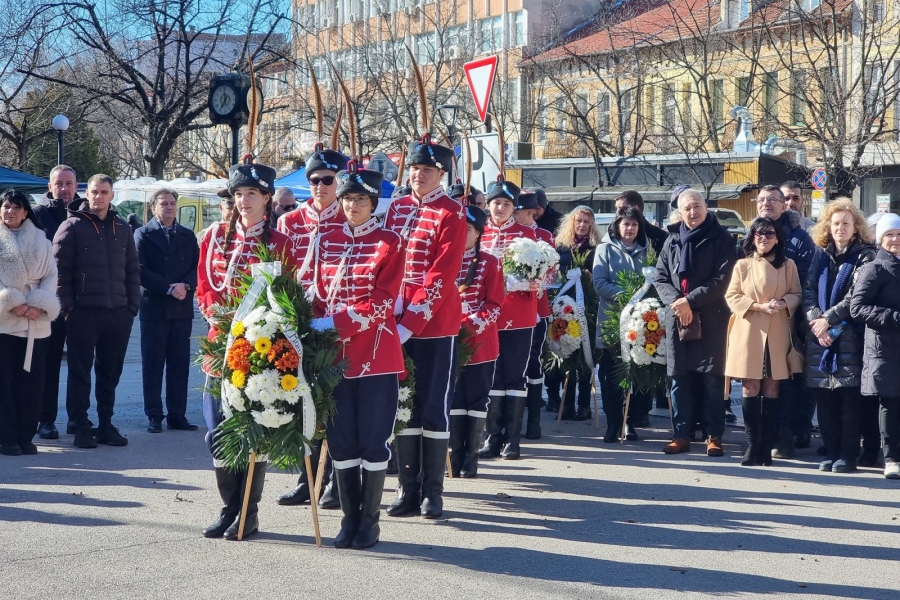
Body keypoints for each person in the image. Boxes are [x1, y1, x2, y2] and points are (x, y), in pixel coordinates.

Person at [197, 158, 296, 540]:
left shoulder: (279, 243)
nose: (243, 201)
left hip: (259, 351)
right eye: (238, 194)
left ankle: (248, 513)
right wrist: (217, 318)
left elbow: (286, 296)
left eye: (251, 193)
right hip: (219, 346)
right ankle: (228, 507)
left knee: (254, 430)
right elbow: (204, 287)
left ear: (267, 197)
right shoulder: (213, 237)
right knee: (218, 431)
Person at [310, 161, 403, 549]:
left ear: (373, 202)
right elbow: (316, 292)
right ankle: (349, 520)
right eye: (348, 198)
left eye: (360, 199)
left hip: (375, 355)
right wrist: (310, 321)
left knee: (372, 441)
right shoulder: (325, 237)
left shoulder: (389, 242)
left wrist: (334, 323)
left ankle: (370, 522)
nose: (352, 205)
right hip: (332, 359)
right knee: (342, 439)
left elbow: (382, 302)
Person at [383, 135, 466, 519]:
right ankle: (406, 488)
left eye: (427, 170)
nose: (418, 175)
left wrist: (410, 322)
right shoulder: (396, 209)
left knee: (432, 407)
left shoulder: (451, 213)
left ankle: (433, 491)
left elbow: (441, 275)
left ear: (442, 175)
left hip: (433, 325)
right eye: (415, 169)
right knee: (404, 407)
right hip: (393, 321)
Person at [276, 143, 348, 509]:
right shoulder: (290, 222)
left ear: (339, 182)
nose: (319, 187)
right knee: (302, 403)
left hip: (335, 324)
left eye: (327, 180)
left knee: (332, 402)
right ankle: (307, 481)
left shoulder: (348, 218)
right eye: (314, 180)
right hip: (299, 321)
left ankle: (335, 481)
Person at [53, 174, 140, 449]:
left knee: (110, 373)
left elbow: (132, 270)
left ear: (112, 195)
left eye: (104, 191)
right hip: (83, 314)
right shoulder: (72, 226)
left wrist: (131, 308)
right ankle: (80, 426)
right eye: (94, 191)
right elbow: (59, 273)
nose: (99, 196)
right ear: (86, 194)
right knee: (80, 372)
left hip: (117, 314)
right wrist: (68, 310)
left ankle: (105, 425)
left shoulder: (122, 228)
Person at [655, 189, 737, 456]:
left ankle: (714, 435)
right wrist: (678, 304)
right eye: (687, 208)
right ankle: (681, 434)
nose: (692, 212)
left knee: (712, 381)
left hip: (711, 317)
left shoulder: (722, 238)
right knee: (679, 379)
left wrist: (690, 301)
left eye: (697, 206)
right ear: (680, 212)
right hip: (678, 318)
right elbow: (660, 276)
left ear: (706, 206)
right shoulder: (672, 239)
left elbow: (723, 279)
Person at [803, 199, 876, 473]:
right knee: (825, 402)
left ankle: (848, 455)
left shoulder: (866, 256)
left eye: (846, 223)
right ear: (828, 227)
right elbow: (808, 290)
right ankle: (831, 452)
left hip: (849, 337)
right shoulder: (820, 255)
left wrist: (828, 322)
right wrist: (815, 321)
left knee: (849, 403)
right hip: (819, 340)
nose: (840, 228)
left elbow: (856, 297)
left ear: (856, 227)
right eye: (835, 223)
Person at [725, 217, 802, 466]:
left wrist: (782, 303)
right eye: (759, 234)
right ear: (752, 237)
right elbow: (732, 296)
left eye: (769, 234)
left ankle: (767, 447)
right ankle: (752, 445)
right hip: (750, 331)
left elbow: (797, 294)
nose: (764, 238)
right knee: (750, 387)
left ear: (777, 238)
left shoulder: (788, 265)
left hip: (778, 331)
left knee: (771, 388)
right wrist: (757, 306)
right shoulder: (743, 265)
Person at [754, 184, 817, 459]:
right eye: (762, 200)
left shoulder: (801, 237)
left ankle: (787, 432)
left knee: (788, 378)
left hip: (790, 318)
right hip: (757, 317)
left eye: (773, 200)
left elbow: (805, 277)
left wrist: (781, 300)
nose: (767, 203)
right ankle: (760, 434)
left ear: (784, 206)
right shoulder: (752, 233)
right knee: (757, 378)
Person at [478, 177, 538, 460]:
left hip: (519, 314)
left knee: (514, 375)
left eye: (506, 203)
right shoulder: (479, 234)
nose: (500, 208)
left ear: (514, 208)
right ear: (488, 206)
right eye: (496, 203)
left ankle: (512, 440)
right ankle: (492, 436)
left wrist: (532, 281)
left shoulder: (528, 236)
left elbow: (545, 274)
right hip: (486, 316)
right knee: (492, 376)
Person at [134, 188, 200, 433]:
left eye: (173, 203)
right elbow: (139, 269)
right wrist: (169, 288)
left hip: (181, 308)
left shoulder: (187, 235)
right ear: (154, 208)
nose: (170, 207)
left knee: (179, 363)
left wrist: (186, 285)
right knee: (153, 364)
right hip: (155, 307)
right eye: (164, 204)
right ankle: (154, 415)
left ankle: (177, 415)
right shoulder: (142, 234)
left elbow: (197, 265)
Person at [0, 190, 60, 455]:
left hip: (35, 323)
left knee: (33, 383)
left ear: (26, 212)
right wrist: (12, 302)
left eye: (15, 207)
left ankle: (26, 435)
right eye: (5, 206)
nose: (9, 211)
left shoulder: (42, 241)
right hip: (4, 321)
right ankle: (7, 437)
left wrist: (40, 303)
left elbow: (51, 275)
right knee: (4, 382)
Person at [449, 204, 503, 477]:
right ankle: (455, 456)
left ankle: (471, 457)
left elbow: (494, 305)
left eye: (467, 229)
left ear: (478, 233)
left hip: (480, 344)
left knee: (477, 399)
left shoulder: (490, 262)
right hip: (447, 341)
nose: (461, 233)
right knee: (455, 399)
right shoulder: (444, 258)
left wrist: (467, 326)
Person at [850, 212, 900, 480]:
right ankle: (891, 458)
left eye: (899, 234)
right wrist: (893, 317)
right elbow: (858, 308)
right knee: (890, 403)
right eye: (889, 235)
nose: (895, 239)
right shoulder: (875, 267)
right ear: (880, 240)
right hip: (884, 347)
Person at [32, 165, 79, 440]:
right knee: (48, 366)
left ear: (76, 186)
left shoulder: (83, 214)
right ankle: (45, 420)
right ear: (50, 186)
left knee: (80, 365)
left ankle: (76, 418)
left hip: (80, 304)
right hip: (49, 304)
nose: (64, 188)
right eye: (58, 183)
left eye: (69, 183)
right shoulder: (38, 216)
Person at [594, 207, 649, 443]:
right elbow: (599, 283)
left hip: (640, 322)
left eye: (634, 225)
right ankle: (613, 422)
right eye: (626, 224)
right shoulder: (604, 250)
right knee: (610, 374)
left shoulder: (647, 251)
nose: (630, 229)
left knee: (636, 372)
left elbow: (654, 280)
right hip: (611, 321)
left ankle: (630, 422)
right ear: (617, 226)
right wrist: (627, 295)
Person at [548, 205, 601, 420]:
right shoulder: (561, 247)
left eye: (586, 222)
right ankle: (566, 403)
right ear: (571, 223)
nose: (582, 225)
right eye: (578, 221)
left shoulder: (596, 248)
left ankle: (584, 405)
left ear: (592, 225)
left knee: (585, 356)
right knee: (567, 352)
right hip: (564, 307)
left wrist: (589, 277)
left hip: (587, 307)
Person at [515, 189, 556, 436]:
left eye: (518, 211)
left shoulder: (543, 236)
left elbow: (552, 273)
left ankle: (534, 421)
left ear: (531, 213)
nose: (513, 215)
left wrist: (537, 280)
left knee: (533, 361)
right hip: (508, 310)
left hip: (536, 307)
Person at [613, 190, 667, 254]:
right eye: (617, 208)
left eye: (621, 208)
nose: (617, 213)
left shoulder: (660, 237)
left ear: (636, 209)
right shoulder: (612, 235)